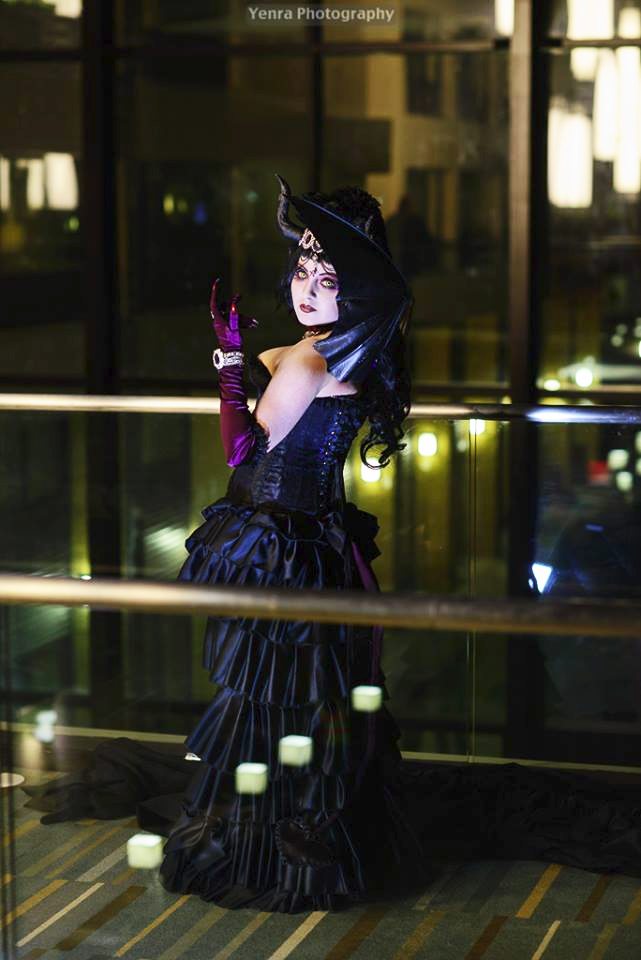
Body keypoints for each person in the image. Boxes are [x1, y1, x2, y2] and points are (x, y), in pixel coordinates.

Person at [22, 177, 641, 911]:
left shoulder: (312, 361)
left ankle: (272, 848)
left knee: (273, 695)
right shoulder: (343, 351)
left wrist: (227, 362)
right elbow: (286, 374)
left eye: (328, 280)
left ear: (356, 292)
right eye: (302, 272)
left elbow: (240, 449)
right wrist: (260, 357)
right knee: (298, 697)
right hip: (310, 540)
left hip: (281, 544)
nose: (308, 290)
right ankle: (298, 829)